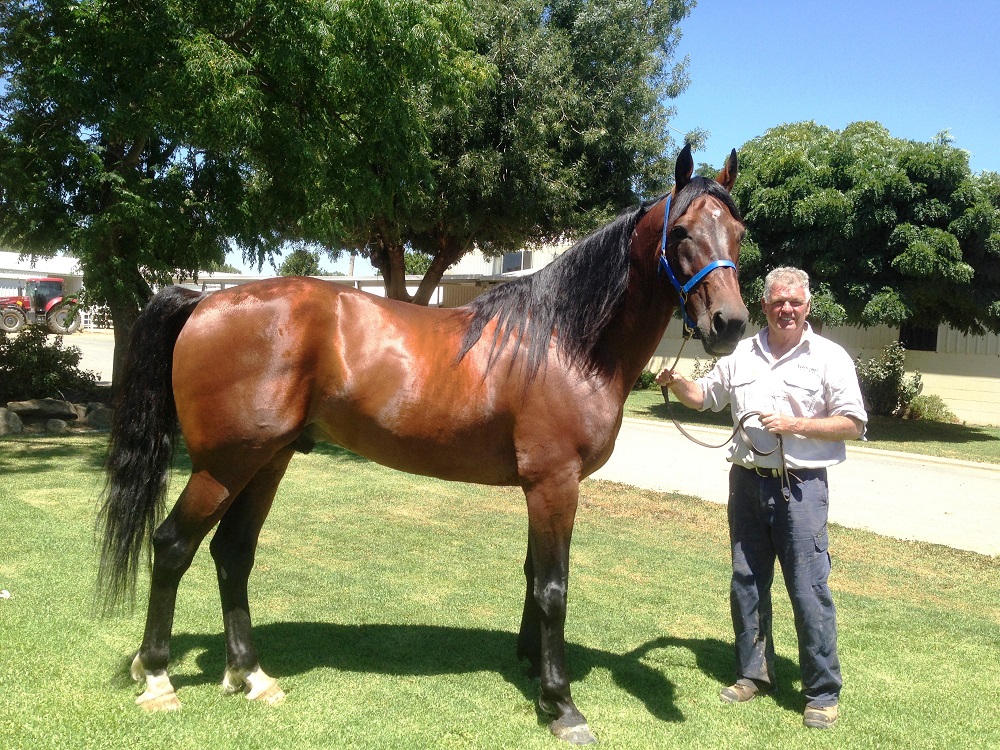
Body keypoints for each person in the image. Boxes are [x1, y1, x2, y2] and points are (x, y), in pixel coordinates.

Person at [656, 266, 867, 730]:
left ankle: (822, 694)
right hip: (746, 482)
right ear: (764, 305)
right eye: (778, 302)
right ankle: (754, 674)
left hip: (801, 488)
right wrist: (677, 383)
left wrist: (795, 425)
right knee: (747, 582)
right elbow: (704, 397)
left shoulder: (829, 358)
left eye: (795, 302)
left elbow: (853, 423)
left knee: (808, 590)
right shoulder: (741, 354)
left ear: (808, 306)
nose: (786, 309)